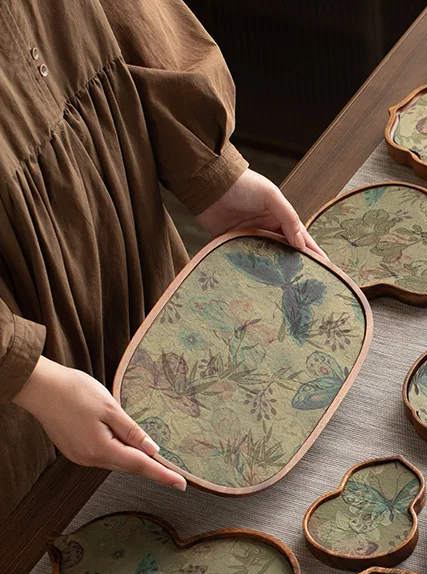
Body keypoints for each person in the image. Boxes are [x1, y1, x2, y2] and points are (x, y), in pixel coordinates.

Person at [0, 0, 323, 523]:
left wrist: (209, 174)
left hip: (127, 229)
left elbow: (129, 13)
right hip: (18, 351)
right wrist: (27, 375)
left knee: (193, 413)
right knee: (58, 531)